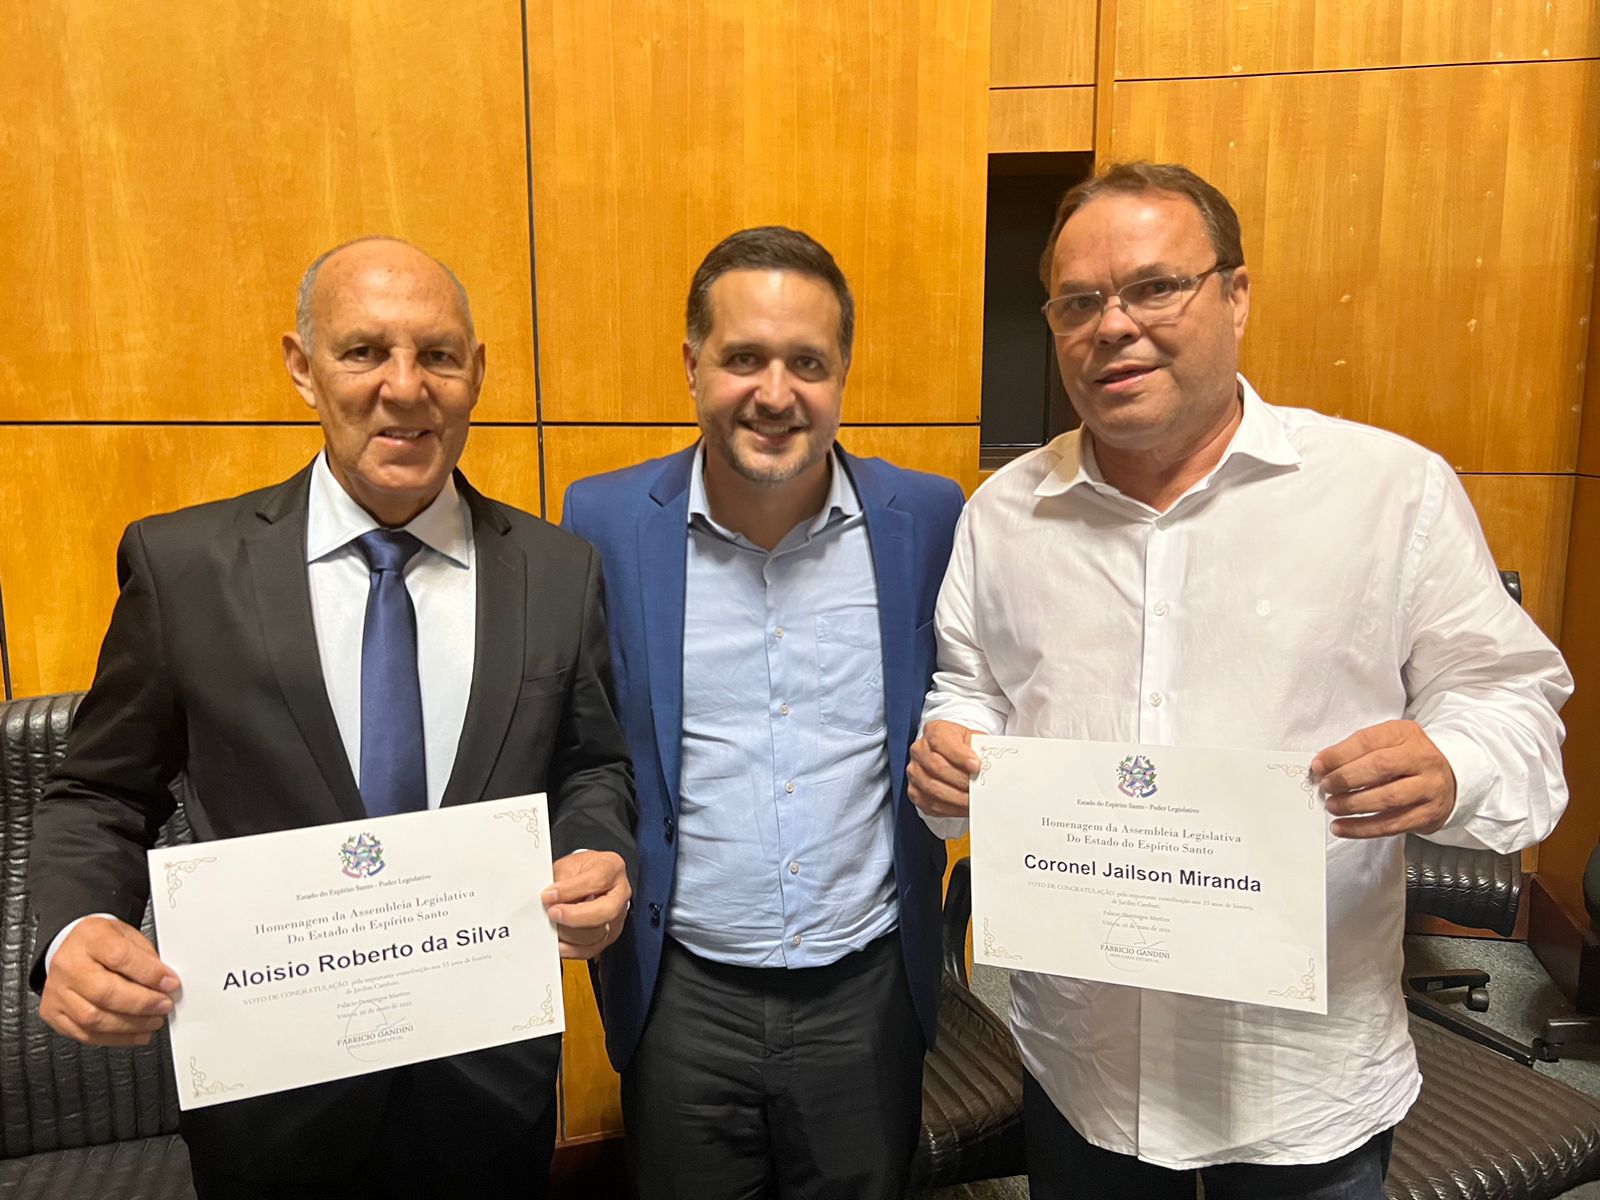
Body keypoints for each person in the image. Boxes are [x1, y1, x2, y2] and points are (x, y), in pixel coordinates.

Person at [907, 162, 1573, 1200]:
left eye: (1154, 287)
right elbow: (972, 686)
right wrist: (953, 749)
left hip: (1297, 1083)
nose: (1112, 326)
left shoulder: (1387, 492)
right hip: (1084, 1066)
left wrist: (1452, 762)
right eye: (1078, 302)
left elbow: (1511, 700)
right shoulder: (1004, 514)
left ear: (1236, 295)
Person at [28, 236, 637, 1199]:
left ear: (476, 374)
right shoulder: (185, 569)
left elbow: (591, 764)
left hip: (488, 1090)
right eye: (364, 352)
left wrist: (599, 850)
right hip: (271, 1101)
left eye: (438, 355)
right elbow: (98, 791)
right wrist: (76, 924)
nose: (406, 387)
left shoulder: (559, 572)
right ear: (302, 367)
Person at [561, 226, 964, 1199]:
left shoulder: (928, 517)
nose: (775, 394)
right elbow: (589, 741)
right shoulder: (602, 521)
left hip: (867, 987)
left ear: (843, 375)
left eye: (807, 363)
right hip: (682, 991)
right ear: (691, 364)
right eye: (743, 357)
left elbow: (973, 687)